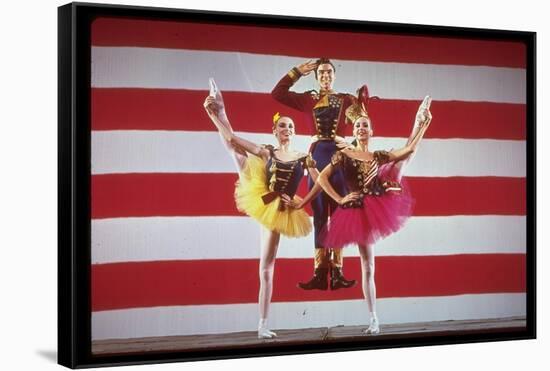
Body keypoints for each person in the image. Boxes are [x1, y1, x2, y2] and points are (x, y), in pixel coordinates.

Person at [204, 79, 321, 339]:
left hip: (282, 207)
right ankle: (263, 324)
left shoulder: (304, 157)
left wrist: (301, 202)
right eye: (282, 125)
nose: (287, 129)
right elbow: (233, 139)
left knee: (267, 267)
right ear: (275, 130)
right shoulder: (267, 151)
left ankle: (262, 324)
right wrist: (214, 115)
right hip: (263, 195)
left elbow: (320, 182)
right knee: (236, 154)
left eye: (290, 126)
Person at [316, 89, 432, 334]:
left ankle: (373, 320)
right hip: (355, 211)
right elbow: (321, 179)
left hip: (376, 206)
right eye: (357, 124)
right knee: (366, 265)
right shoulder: (343, 154)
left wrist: (421, 123)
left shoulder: (378, 156)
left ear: (371, 131)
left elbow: (408, 150)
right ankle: (373, 318)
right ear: (353, 129)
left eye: (365, 124)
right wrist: (340, 197)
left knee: (369, 266)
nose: (361, 128)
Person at [271, 58, 358, 290]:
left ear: (335, 75)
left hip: (339, 158)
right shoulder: (308, 99)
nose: (326, 76)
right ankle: (320, 273)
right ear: (316, 76)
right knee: (320, 213)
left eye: (329, 72)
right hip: (317, 157)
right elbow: (277, 93)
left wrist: (348, 143)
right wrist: (298, 71)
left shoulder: (347, 99)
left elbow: (364, 124)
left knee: (339, 213)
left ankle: (338, 271)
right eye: (321, 73)